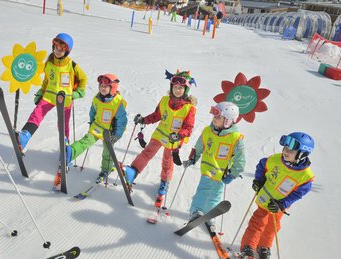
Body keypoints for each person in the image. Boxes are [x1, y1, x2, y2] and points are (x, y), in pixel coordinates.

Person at [239, 132, 314, 259]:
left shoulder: (305, 176)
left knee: (272, 226)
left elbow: (299, 193)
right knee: (258, 222)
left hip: (278, 206)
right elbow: (262, 166)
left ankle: (264, 247)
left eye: (291, 150)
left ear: (302, 154)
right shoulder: (275, 160)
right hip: (265, 199)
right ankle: (248, 246)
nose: (286, 151)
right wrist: (258, 180)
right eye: (285, 148)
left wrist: (282, 204)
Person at [124, 70, 196, 207]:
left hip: (173, 139)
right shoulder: (164, 100)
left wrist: (179, 135)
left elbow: (188, 128)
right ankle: (133, 171)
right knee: (147, 153)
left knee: (167, 162)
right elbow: (156, 115)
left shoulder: (189, 109)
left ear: (186, 89)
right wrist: (143, 120)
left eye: (181, 88)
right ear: (171, 88)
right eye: (175, 87)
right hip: (160, 134)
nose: (178, 90)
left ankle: (164, 183)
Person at [16, 33, 87, 151]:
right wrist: (40, 93)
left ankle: (64, 148)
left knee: (63, 124)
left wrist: (78, 93)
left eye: (61, 49)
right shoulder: (49, 64)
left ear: (67, 51)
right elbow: (46, 80)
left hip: (65, 100)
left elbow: (83, 79)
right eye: (56, 48)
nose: (58, 51)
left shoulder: (72, 65)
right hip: (48, 96)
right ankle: (24, 137)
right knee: (36, 115)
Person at [183, 101, 245, 231]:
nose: (214, 120)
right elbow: (199, 147)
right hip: (207, 169)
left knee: (215, 195)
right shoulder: (207, 131)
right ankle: (196, 212)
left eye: (218, 117)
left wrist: (233, 173)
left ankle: (210, 216)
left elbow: (240, 158)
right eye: (214, 117)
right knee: (203, 190)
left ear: (228, 121)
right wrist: (192, 159)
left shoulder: (235, 138)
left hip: (222, 173)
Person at [65, 74, 128, 183]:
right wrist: (91, 123)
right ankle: (70, 152)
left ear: (112, 88)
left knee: (107, 151)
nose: (102, 88)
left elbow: (122, 120)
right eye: (101, 86)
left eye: (106, 86)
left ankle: (106, 169)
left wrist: (117, 135)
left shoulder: (117, 102)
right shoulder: (96, 98)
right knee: (86, 141)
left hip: (109, 132)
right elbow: (92, 112)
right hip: (97, 127)